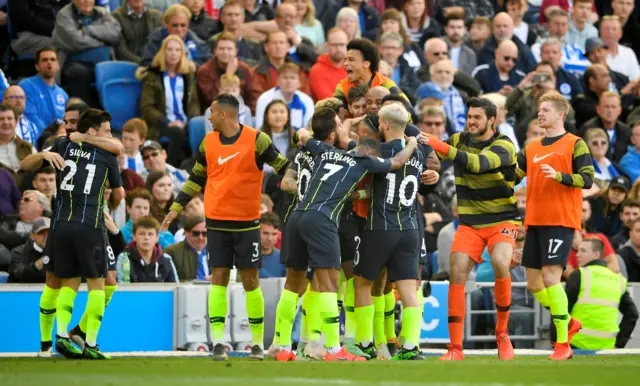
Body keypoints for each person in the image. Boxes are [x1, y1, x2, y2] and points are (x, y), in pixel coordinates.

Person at [274, 107, 419, 362]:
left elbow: (302, 135)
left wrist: (343, 123)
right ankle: (333, 349)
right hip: (323, 219)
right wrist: (412, 143)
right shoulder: (365, 160)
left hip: (297, 215)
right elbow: (397, 162)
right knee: (329, 284)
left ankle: (281, 345)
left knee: (293, 285)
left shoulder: (324, 150)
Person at [161, 94, 290, 361]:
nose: (208, 117)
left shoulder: (257, 139)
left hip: (247, 224)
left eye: (212, 112)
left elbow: (283, 167)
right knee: (218, 278)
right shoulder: (208, 142)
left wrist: (297, 187)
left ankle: (257, 344)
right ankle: (218, 342)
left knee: (250, 281)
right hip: (217, 223)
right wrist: (175, 208)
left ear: (223, 115)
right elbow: (196, 178)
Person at [420, 97, 519, 361]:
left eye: (477, 117)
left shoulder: (505, 145)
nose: (471, 121)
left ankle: (502, 333)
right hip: (470, 223)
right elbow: (431, 154)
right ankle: (455, 348)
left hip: (501, 219)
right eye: (469, 116)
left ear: (491, 120)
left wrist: (436, 143)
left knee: (500, 261)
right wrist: (430, 168)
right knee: (457, 270)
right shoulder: (458, 138)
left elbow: (478, 164)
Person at [352, 104, 435, 361]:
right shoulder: (419, 153)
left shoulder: (376, 149)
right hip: (410, 228)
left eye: (379, 121)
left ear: (385, 125)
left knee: (362, 283)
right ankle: (411, 346)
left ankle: (365, 343)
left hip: (381, 227)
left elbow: (347, 152)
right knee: (409, 290)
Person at [517, 92, 595, 360]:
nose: (540, 114)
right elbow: (512, 175)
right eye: (539, 110)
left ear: (561, 114)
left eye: (546, 110)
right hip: (535, 221)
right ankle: (569, 322)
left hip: (560, 219)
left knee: (551, 277)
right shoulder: (531, 147)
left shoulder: (575, 143)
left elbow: (587, 179)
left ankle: (562, 344)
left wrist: (560, 176)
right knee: (533, 283)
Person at [42, 109, 124, 360]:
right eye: (107, 130)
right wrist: (107, 203)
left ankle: (63, 336)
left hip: (62, 225)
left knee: (69, 281)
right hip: (90, 224)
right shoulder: (106, 154)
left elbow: (32, 163)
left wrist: (45, 154)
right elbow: (119, 194)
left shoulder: (63, 146)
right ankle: (90, 342)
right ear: (93, 129)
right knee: (97, 283)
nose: (110, 136)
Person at [139, 34, 201, 167]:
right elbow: (147, 107)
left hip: (185, 123)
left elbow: (194, 103)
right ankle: (170, 168)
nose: (173, 54)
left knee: (199, 130)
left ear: (182, 54)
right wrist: (168, 122)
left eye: (177, 50)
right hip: (161, 124)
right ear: (163, 52)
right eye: (170, 49)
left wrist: (191, 122)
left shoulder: (187, 77)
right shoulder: (153, 75)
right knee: (177, 132)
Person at [567, 237, 638, 349]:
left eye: (583, 251)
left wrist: (558, 343)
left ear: (596, 255)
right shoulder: (618, 279)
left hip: (577, 344)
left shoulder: (579, 275)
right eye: (578, 250)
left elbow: (561, 312)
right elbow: (632, 314)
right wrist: (619, 345)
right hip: (607, 347)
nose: (577, 255)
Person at [53, 0, 121, 108]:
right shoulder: (64, 15)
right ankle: (84, 114)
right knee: (79, 73)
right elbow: (75, 41)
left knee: (117, 70)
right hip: (74, 61)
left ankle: (114, 114)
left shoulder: (102, 12)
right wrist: (103, 42)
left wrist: (88, 30)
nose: (87, 1)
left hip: (103, 61)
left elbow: (115, 34)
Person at [334, 38, 409, 111]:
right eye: (345, 60)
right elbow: (336, 116)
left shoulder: (386, 85)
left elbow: (408, 112)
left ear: (366, 63)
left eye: (351, 59)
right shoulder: (342, 86)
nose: (345, 63)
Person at [140, 4, 212, 69]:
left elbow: (207, 63)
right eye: (175, 25)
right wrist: (167, 64)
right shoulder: (156, 39)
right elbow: (145, 63)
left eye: (183, 25)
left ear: (188, 24)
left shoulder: (196, 41)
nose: (179, 29)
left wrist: (192, 66)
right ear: (166, 24)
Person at [18, 48, 69, 133]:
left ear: (58, 66)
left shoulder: (63, 95)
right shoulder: (26, 85)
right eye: (45, 60)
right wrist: (49, 136)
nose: (49, 62)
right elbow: (31, 117)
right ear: (37, 66)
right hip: (36, 140)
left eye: (53, 59)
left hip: (56, 140)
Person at [116, 216, 179, 283]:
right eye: (142, 234)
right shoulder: (124, 258)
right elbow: (123, 288)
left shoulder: (167, 259)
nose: (146, 238)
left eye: (150, 234)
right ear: (134, 236)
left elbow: (175, 288)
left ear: (157, 237)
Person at [309, 28, 348, 102]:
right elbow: (329, 102)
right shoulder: (317, 71)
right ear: (327, 45)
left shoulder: (353, 68)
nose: (338, 49)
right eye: (334, 45)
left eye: (342, 44)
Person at [165, 215, 208, 281]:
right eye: (196, 233)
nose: (200, 237)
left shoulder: (218, 251)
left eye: (204, 233)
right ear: (186, 232)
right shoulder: (172, 252)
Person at [7, 217, 50, 283]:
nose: (46, 237)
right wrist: (44, 260)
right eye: (41, 233)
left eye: (50, 233)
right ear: (32, 236)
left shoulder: (61, 252)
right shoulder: (18, 252)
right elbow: (20, 276)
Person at [258, 211, 285, 278]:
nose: (270, 238)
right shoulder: (246, 257)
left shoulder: (283, 259)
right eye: (265, 233)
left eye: (274, 234)